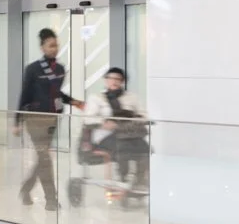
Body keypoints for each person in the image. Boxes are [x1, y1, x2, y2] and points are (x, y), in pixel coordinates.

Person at [16, 27, 85, 210]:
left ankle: (26, 189)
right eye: (50, 45)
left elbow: (55, 94)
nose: (54, 49)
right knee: (45, 159)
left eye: (56, 45)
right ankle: (51, 200)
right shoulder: (32, 69)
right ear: (42, 47)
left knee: (42, 159)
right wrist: (17, 121)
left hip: (53, 120)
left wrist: (73, 101)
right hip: (35, 120)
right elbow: (25, 95)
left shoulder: (61, 69)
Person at [86, 67, 149, 201]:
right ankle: (123, 181)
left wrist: (133, 118)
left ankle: (139, 182)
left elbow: (144, 116)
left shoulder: (131, 97)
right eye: (111, 78)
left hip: (130, 133)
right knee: (122, 146)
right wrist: (104, 122)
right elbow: (88, 118)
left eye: (117, 79)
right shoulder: (97, 98)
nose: (114, 82)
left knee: (145, 148)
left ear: (122, 81)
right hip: (106, 135)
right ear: (106, 80)